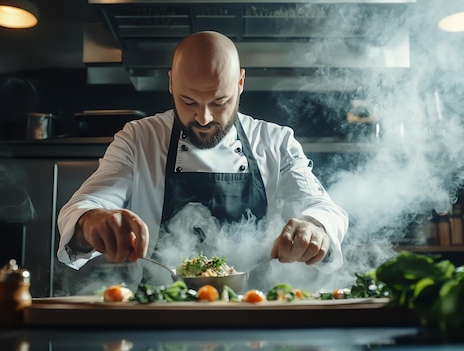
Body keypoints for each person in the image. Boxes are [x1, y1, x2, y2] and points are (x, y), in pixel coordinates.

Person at [57, 31, 348, 290]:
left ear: (240, 83)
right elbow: (83, 207)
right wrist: (93, 222)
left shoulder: (276, 142)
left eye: (219, 102)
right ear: (171, 84)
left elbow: (324, 209)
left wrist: (315, 227)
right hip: (158, 313)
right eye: (189, 101)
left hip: (256, 314)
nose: (204, 118)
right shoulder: (138, 139)